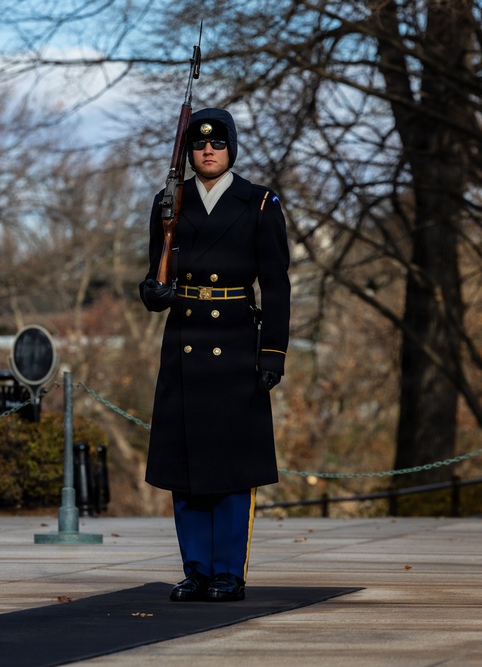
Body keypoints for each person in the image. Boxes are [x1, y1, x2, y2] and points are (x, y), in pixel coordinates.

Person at [139, 107, 291, 602]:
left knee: (231, 468)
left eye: (218, 143)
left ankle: (229, 572)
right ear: (189, 151)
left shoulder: (259, 203)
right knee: (186, 468)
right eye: (200, 144)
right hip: (184, 342)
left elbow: (276, 285)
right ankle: (197, 570)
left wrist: (273, 353)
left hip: (236, 348)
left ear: (231, 149)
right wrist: (152, 292)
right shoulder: (170, 203)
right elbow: (154, 275)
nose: (208, 151)